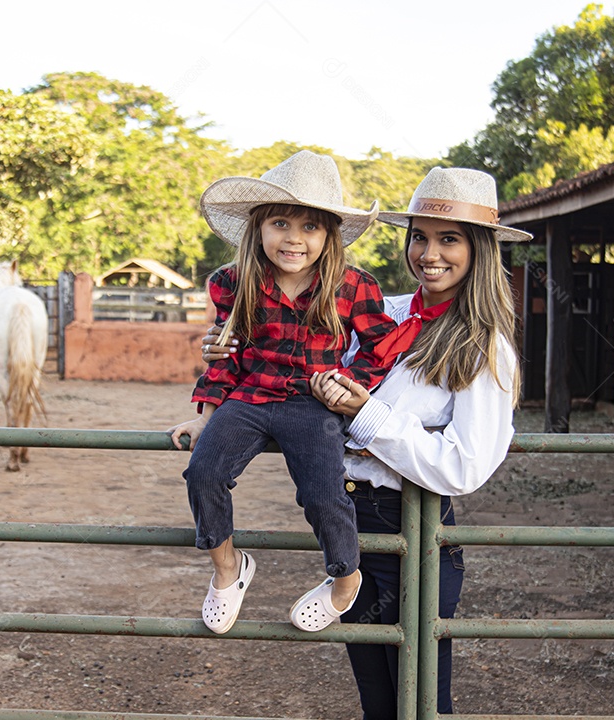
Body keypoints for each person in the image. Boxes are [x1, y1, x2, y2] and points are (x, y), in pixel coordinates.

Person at [202, 167, 531, 716]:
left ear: (480, 249)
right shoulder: (385, 311)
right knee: (377, 698)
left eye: (449, 239)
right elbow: (283, 348)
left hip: (413, 529)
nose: (430, 253)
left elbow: (466, 467)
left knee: (422, 697)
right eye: (420, 236)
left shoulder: (483, 346)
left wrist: (366, 414)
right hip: (353, 518)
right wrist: (225, 342)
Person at [168, 150, 398, 636]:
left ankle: (344, 577)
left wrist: (348, 384)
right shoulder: (233, 282)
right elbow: (224, 353)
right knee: (203, 470)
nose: (294, 238)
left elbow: (381, 346)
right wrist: (206, 416)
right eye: (280, 223)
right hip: (249, 397)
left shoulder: (353, 285)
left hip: (313, 405)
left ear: (328, 235)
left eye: (310, 227)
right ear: (258, 228)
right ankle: (229, 568)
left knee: (322, 494)